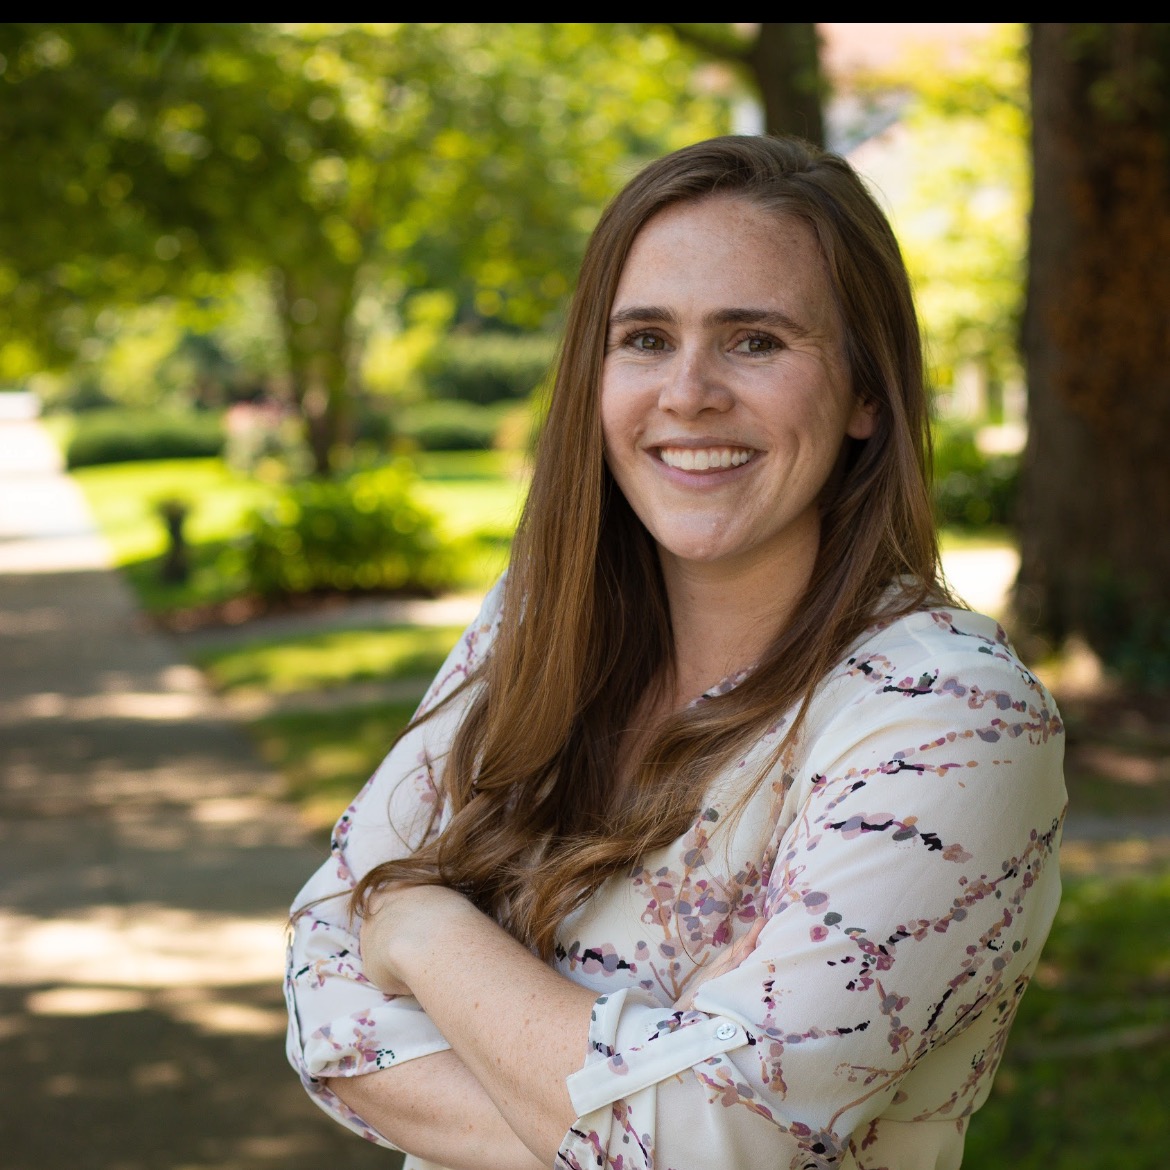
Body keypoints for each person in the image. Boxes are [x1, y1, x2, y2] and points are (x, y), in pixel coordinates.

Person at [285, 136, 1066, 1170]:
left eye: (755, 341)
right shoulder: (534, 628)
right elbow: (324, 994)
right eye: (646, 338)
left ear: (867, 395)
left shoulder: (949, 717)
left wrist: (425, 931)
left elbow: (716, 1142)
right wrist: (634, 1126)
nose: (689, 393)